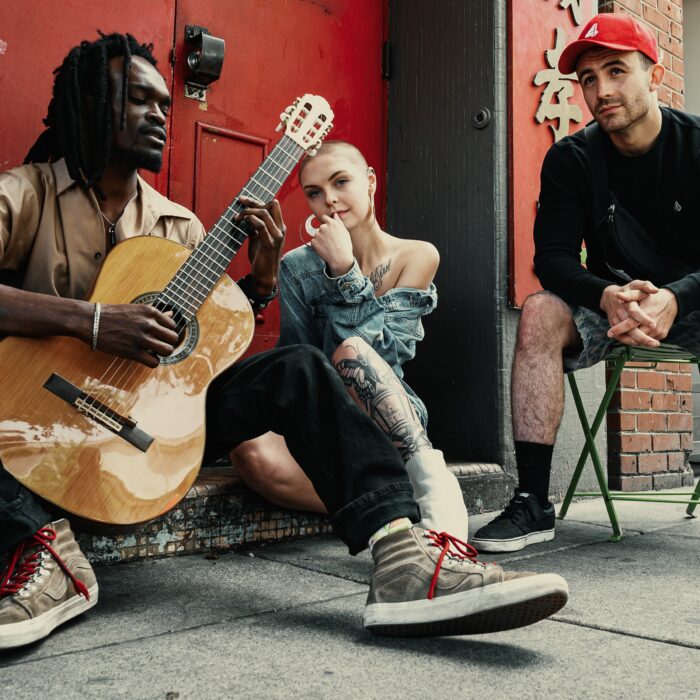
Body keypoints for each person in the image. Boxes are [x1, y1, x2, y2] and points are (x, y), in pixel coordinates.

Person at [0, 33, 569, 649]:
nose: (160, 115)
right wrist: (90, 321)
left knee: (297, 366)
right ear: (89, 101)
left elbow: (203, 343)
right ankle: (41, 552)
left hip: (150, 416)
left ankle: (403, 556)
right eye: (139, 100)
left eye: (166, 103)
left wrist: (263, 281)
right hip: (34, 408)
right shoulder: (24, 192)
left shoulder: (176, 224)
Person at [472, 12, 700, 552]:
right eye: (589, 78)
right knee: (540, 310)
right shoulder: (571, 158)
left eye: (616, 71)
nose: (602, 90)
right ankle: (532, 500)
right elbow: (552, 259)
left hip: (693, 301)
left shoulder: (694, 146)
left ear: (655, 75)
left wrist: (675, 297)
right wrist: (605, 296)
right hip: (613, 306)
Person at [231, 141, 470, 539]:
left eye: (341, 182)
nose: (329, 199)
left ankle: (432, 488)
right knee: (252, 454)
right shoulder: (297, 266)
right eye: (314, 192)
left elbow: (384, 356)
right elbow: (299, 358)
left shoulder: (416, 256)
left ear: (370, 181)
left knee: (354, 352)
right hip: (323, 422)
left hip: (387, 419)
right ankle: (394, 502)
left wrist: (344, 271)